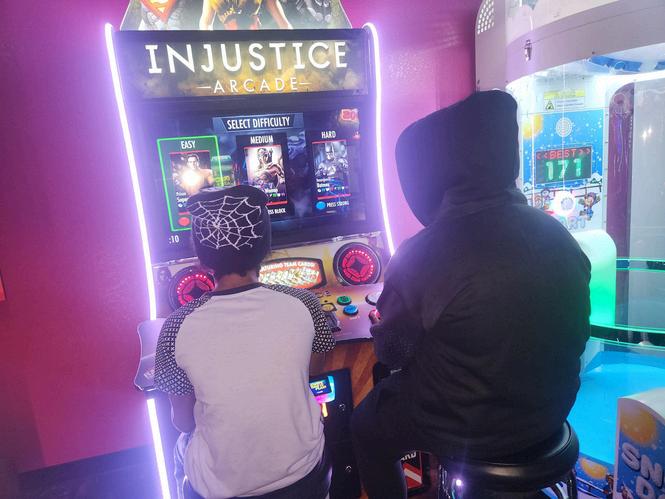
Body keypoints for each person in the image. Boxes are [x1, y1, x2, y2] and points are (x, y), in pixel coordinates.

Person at [351, 90, 591, 499]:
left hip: (469, 426)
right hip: (551, 411)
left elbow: (391, 353)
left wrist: (381, 322)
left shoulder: (424, 251)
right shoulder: (557, 233)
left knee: (365, 426)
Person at [154, 185, 335, 499]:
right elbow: (314, 369)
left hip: (222, 489)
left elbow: (182, 421)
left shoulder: (175, 327)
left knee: (180, 445)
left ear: (201, 256)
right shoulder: (306, 304)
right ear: (265, 246)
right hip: (306, 475)